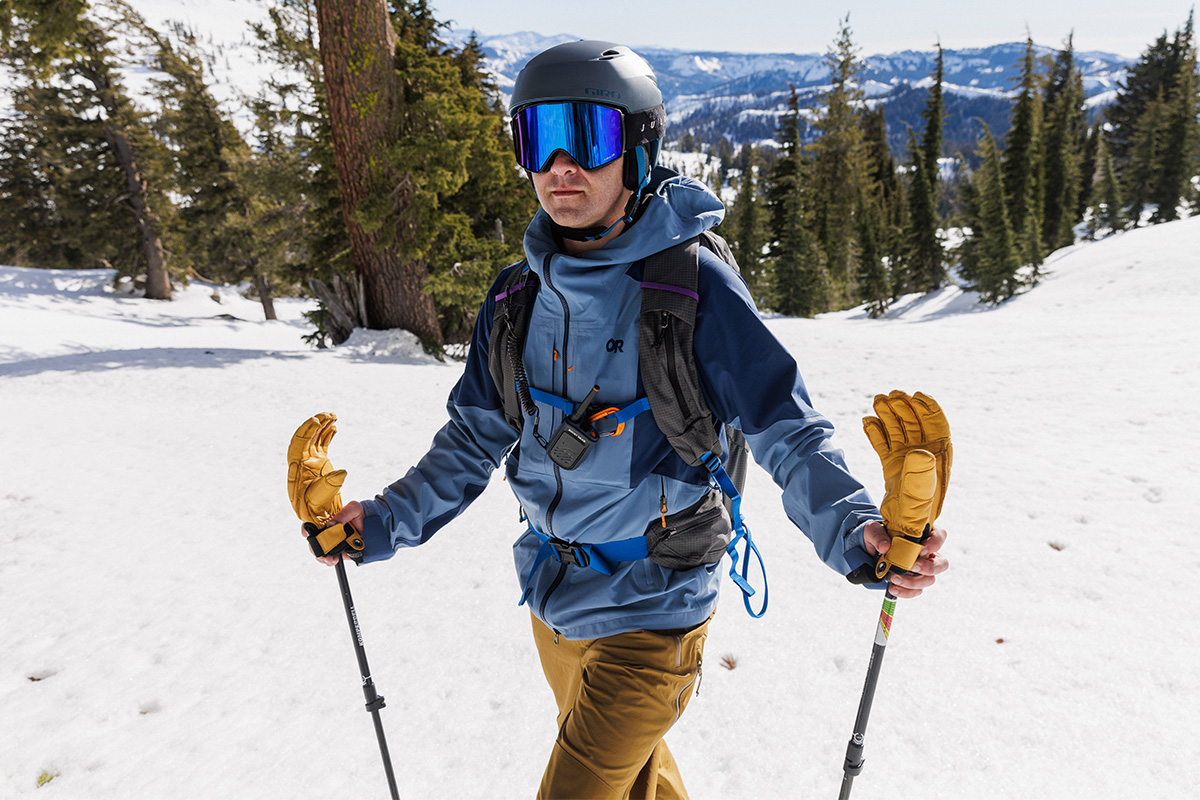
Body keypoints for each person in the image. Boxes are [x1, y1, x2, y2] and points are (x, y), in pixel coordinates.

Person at [310, 40, 949, 800]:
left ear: (638, 149)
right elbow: (473, 436)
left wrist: (856, 529)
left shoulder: (689, 289)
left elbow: (785, 426)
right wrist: (377, 522)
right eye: (537, 139)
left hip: (654, 613)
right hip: (553, 605)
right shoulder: (517, 299)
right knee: (639, 786)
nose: (560, 166)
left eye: (588, 138)